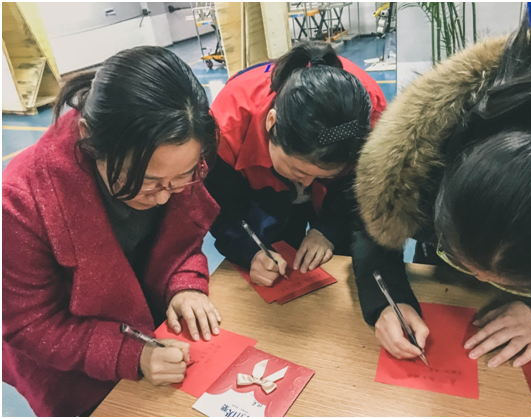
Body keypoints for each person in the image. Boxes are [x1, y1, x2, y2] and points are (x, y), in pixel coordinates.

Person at [2, 46, 222, 417]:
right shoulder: (20, 201)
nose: (164, 196)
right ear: (89, 138)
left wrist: (186, 284)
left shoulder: (176, 155)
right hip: (73, 370)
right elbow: (31, 325)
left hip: (153, 337)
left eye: (181, 178)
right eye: (147, 181)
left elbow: (183, 243)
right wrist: (130, 355)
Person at [353, 4, 531, 369]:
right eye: (457, 253)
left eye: (512, 280)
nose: (479, 278)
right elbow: (375, 235)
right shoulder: (419, 166)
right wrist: (388, 300)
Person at [205, 41, 386, 286]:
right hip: (262, 190)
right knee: (276, 253)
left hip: (336, 194)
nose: (307, 185)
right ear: (271, 123)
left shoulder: (370, 118)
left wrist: (328, 231)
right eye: (298, 171)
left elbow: (362, 195)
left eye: (323, 175)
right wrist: (251, 252)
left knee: (343, 262)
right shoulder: (225, 129)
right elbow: (224, 210)